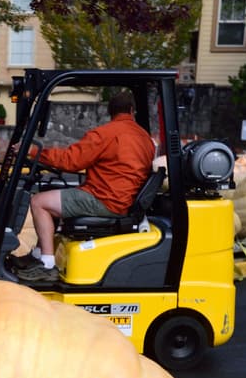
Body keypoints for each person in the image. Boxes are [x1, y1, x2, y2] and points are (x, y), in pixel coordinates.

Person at [9, 90, 155, 285]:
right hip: (121, 199)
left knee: (39, 202)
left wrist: (33, 151)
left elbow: (72, 160)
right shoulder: (145, 139)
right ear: (131, 110)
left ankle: (46, 264)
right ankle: (37, 254)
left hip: (104, 200)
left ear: (110, 111)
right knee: (52, 196)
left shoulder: (106, 134)